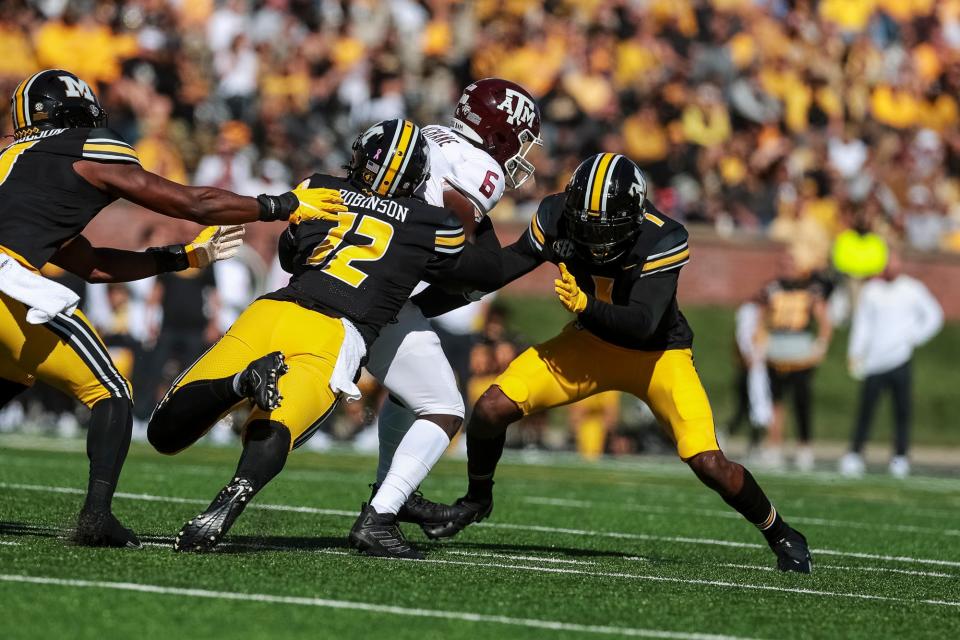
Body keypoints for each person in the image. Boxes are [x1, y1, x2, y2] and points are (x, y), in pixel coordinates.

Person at [412, 153, 813, 573]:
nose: (589, 237)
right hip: (591, 345)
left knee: (709, 463)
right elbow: (500, 270)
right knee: (492, 406)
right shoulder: (555, 215)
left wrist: (585, 305)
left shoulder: (664, 236)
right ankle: (477, 499)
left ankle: (781, 532)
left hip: (657, 355)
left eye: (601, 228)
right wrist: (422, 293)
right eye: (582, 224)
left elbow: (643, 323)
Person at [0, 68, 346, 548]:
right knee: (112, 394)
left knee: (16, 374)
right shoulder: (84, 147)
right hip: (7, 283)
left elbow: (92, 263)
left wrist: (180, 257)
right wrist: (282, 204)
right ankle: (96, 516)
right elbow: (195, 202)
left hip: (9, 279)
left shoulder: (17, 163)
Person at [146, 119, 504, 557]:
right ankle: (242, 487)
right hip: (335, 333)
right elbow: (479, 272)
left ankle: (240, 384)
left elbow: (290, 255)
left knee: (164, 434)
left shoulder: (321, 186)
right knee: (275, 427)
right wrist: (472, 212)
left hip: (273, 311)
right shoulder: (434, 225)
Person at [360, 79, 542, 533]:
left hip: (364, 269)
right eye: (520, 141)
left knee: (407, 395)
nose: (521, 154)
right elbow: (457, 249)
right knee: (446, 407)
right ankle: (380, 515)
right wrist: (511, 262)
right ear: (500, 134)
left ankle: (391, 492)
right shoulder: (481, 168)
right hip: (383, 288)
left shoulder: (433, 135)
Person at [840, 252, 943, 478]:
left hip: (900, 360)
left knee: (902, 410)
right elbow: (862, 325)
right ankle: (855, 454)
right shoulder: (871, 291)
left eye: (895, 262)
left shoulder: (912, 289)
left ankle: (900, 456)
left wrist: (913, 337)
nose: (891, 267)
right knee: (866, 410)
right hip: (874, 362)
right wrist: (855, 353)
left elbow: (935, 316)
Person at [754, 254, 832, 471]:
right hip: (777, 348)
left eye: (791, 265)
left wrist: (821, 343)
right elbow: (761, 317)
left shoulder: (810, 290)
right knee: (776, 402)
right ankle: (774, 445)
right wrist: (759, 342)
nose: (787, 269)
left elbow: (824, 319)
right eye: (784, 265)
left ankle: (804, 447)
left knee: (802, 401)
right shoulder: (772, 289)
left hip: (800, 351)